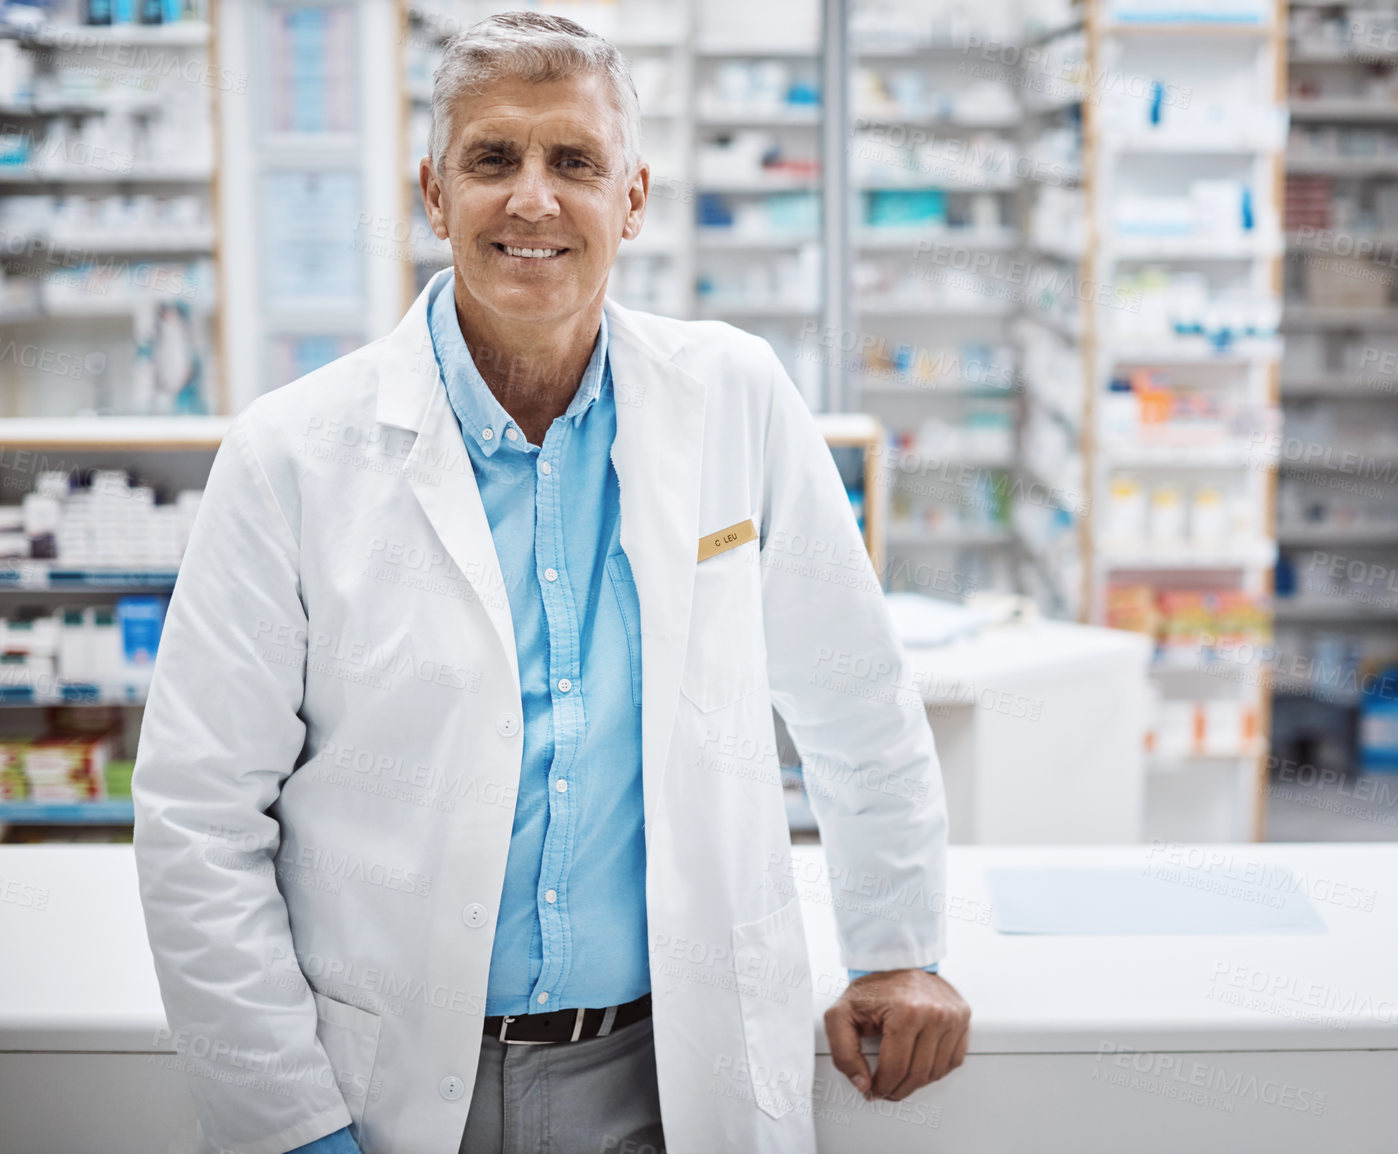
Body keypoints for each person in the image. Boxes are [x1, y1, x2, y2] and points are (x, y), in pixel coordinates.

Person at [131, 12, 967, 1154]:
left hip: (671, 1073)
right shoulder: (291, 454)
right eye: (492, 160)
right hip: (395, 1087)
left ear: (632, 197)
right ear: (434, 194)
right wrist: (288, 1122)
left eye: (573, 161)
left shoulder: (733, 397)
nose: (532, 199)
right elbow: (196, 812)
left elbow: (855, 695)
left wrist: (897, 943)